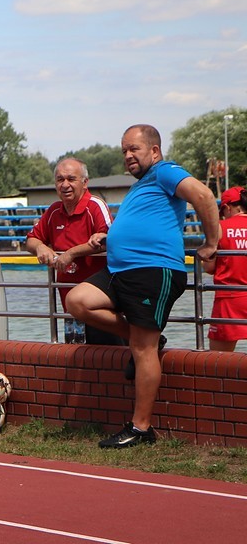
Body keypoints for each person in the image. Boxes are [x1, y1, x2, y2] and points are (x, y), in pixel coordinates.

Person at [67, 124, 219, 449]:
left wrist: (211, 242)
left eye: (134, 149)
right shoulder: (141, 185)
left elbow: (204, 195)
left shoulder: (165, 171)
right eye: (124, 150)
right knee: (78, 301)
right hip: (119, 271)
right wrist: (111, 236)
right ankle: (144, 338)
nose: (128, 156)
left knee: (142, 349)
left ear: (154, 150)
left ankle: (141, 428)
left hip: (152, 271)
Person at [26, 157, 121, 345]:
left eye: (71, 179)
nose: (65, 185)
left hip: (98, 304)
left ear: (85, 183)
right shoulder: (54, 211)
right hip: (69, 305)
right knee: (76, 354)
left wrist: (71, 253)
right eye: (60, 180)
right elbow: (30, 240)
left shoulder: (95, 205)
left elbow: (109, 240)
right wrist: (40, 246)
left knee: (110, 353)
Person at [204, 186, 247, 352]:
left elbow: (209, 267)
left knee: (219, 358)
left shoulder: (219, 228)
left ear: (228, 208)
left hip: (229, 298)